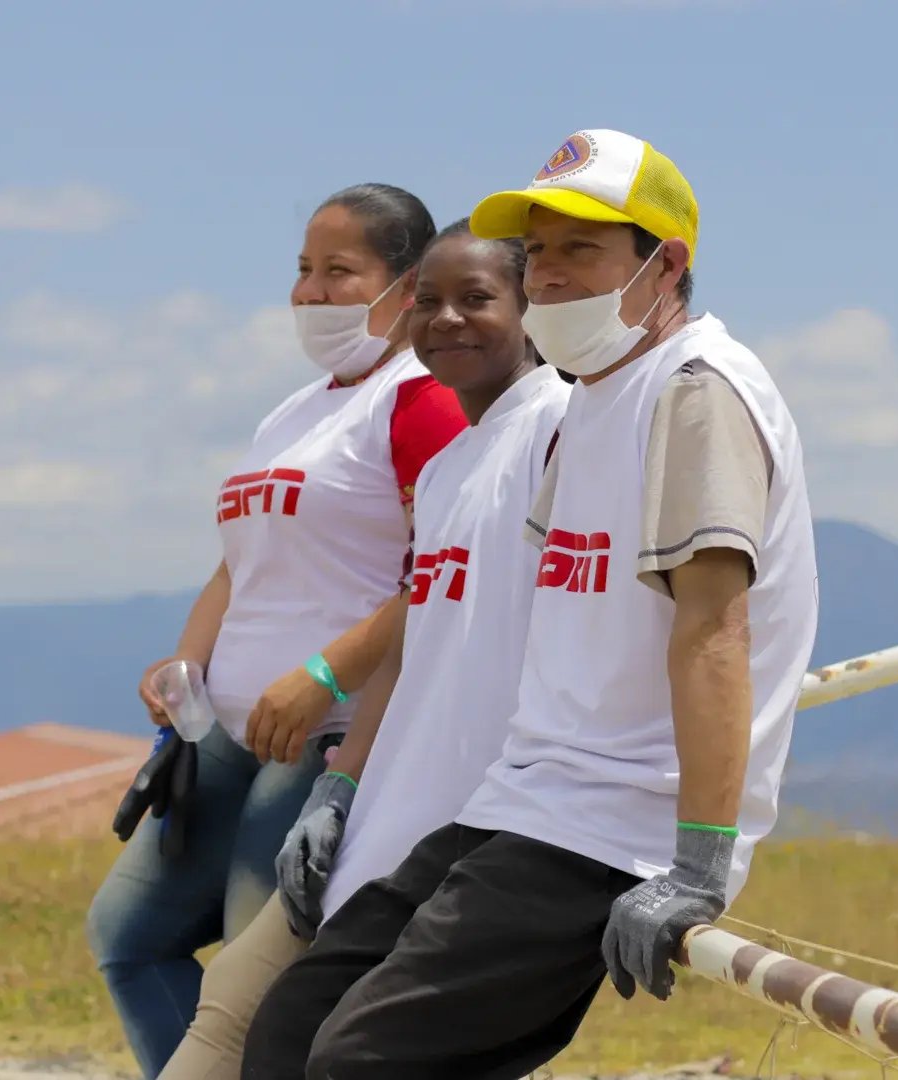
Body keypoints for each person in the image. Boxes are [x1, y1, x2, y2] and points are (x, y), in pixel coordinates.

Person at [241, 129, 820, 1080]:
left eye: (581, 250)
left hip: (615, 821)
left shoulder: (694, 392)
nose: (548, 275)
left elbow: (714, 631)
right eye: (540, 250)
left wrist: (700, 864)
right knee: (289, 1032)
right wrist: (348, 783)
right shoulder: (593, 397)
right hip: (524, 797)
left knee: (363, 1062)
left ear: (665, 265)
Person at [154, 219, 570, 1080]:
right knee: (244, 1006)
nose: (446, 319)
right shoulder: (459, 460)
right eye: (430, 302)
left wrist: (320, 681)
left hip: (481, 825)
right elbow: (416, 637)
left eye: (477, 299)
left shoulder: (560, 433)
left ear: (532, 311)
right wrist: (341, 788)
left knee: (310, 1037)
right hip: (384, 803)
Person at [85, 183, 468, 1078]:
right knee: (128, 936)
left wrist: (326, 677)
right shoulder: (291, 414)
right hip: (222, 733)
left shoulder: (418, 402)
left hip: (321, 734)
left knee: (256, 985)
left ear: (406, 285)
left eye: (340, 272)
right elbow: (236, 563)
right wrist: (186, 659)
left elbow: (441, 573)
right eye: (303, 269)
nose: (310, 292)